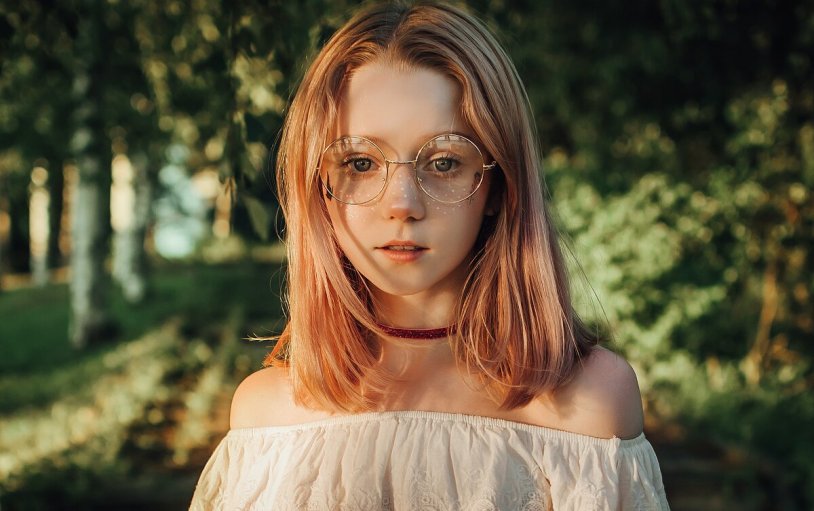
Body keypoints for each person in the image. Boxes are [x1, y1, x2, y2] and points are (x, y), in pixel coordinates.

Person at [190, 1, 670, 509]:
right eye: (359, 161)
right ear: (317, 187)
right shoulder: (268, 420)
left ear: (499, 186)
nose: (402, 204)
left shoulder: (589, 404)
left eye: (443, 162)